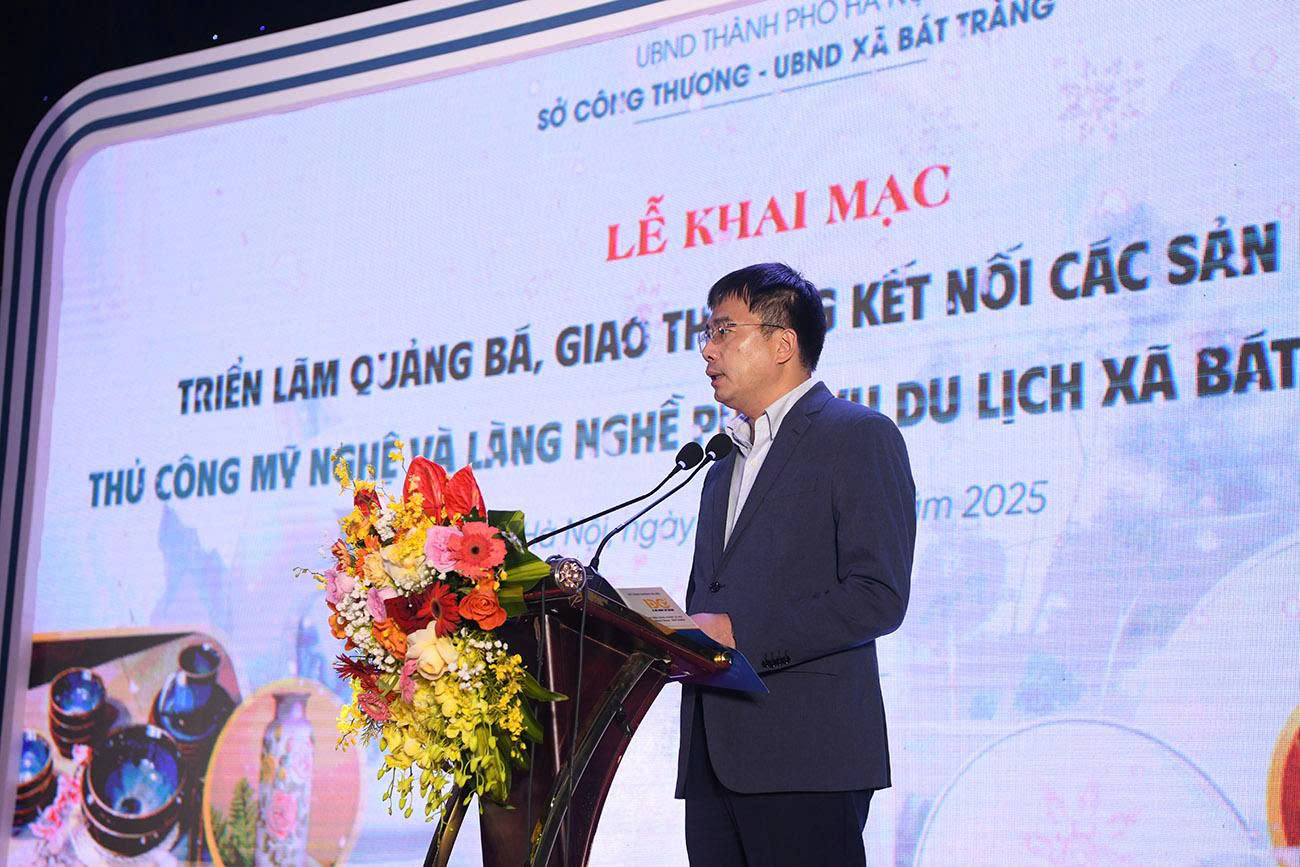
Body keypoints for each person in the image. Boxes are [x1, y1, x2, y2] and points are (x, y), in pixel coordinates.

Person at [677, 262, 916, 867]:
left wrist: (741, 636)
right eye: (707, 333)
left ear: (783, 343)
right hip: (713, 760)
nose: (707, 350)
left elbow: (877, 595)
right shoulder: (722, 462)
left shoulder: (857, 435)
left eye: (723, 330)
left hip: (808, 757)